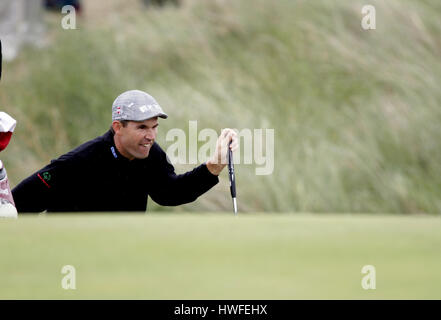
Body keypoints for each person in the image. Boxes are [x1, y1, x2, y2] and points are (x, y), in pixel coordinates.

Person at [12, 90, 237, 213]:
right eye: (142, 127)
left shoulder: (150, 154)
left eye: (154, 127)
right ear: (118, 127)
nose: (150, 136)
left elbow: (170, 193)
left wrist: (215, 165)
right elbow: (17, 203)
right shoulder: (79, 161)